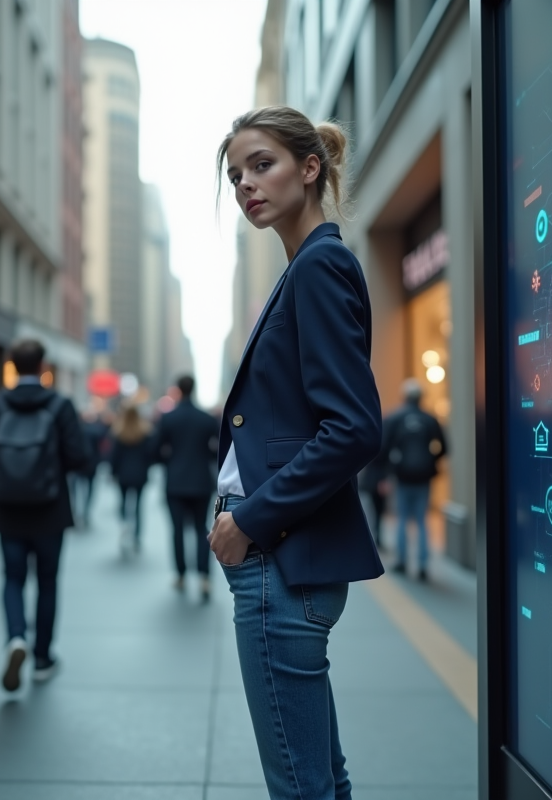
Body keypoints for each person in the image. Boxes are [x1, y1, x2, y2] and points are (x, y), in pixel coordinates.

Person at [211, 107, 383, 800]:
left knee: (301, 787)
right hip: (281, 557)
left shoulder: (318, 266)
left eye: (261, 165)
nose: (246, 185)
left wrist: (250, 518)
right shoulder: (306, 267)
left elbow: (353, 429)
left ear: (310, 169)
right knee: (321, 779)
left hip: (277, 557)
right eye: (234, 176)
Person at [0, 339, 88, 693]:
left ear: (12, 366)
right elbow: (79, 456)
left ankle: (16, 638)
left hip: (7, 509)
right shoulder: (59, 405)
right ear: (42, 367)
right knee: (47, 582)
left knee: (12, 578)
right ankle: (42, 658)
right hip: (50, 509)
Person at [155, 375, 219, 599]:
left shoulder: (168, 418)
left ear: (178, 390)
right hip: (202, 482)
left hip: (175, 482)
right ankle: (204, 577)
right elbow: (217, 450)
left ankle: (181, 575)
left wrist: (170, 462)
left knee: (177, 530)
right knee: (202, 529)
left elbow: (157, 449)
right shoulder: (206, 419)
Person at [382, 378, 447, 582]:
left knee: (401, 518)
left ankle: (401, 561)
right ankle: (423, 565)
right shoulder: (430, 419)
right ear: (421, 397)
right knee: (421, 520)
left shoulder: (394, 418)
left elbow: (383, 449)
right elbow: (444, 447)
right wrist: (430, 460)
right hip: (424, 477)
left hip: (402, 476)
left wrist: (388, 472)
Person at [108, 404, 154, 557]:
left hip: (123, 474)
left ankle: (124, 527)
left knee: (123, 502)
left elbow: (114, 456)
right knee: (138, 506)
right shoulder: (145, 432)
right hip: (140, 474)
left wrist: (112, 472)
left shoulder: (119, 432)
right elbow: (150, 455)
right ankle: (136, 536)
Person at [73, 409, 108, 528]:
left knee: (76, 489)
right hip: (90, 464)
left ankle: (79, 512)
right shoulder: (96, 430)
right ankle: (85, 512)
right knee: (88, 489)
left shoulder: (78, 430)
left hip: (80, 465)